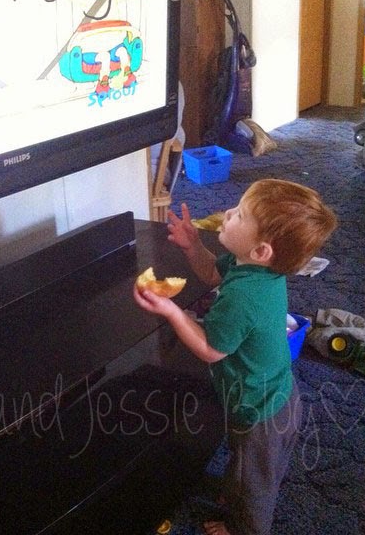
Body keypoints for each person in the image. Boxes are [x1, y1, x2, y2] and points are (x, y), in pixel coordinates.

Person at [133, 179, 337, 535]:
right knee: (256, 469)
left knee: (255, 483)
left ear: (261, 250)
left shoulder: (243, 297)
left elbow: (211, 350)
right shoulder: (255, 269)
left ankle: (245, 528)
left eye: (240, 214)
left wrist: (173, 312)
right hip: (278, 394)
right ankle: (236, 491)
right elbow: (213, 272)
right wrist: (193, 246)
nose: (227, 213)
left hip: (260, 412)